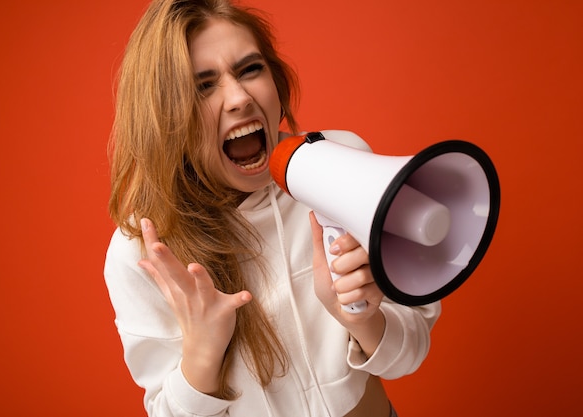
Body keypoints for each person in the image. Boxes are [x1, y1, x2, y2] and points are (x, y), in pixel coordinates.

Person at [104, 0, 441, 416]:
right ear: (162, 116)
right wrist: (202, 356)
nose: (239, 98)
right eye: (203, 86)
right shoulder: (142, 252)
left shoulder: (341, 162)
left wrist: (361, 319)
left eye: (250, 69)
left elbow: (409, 357)